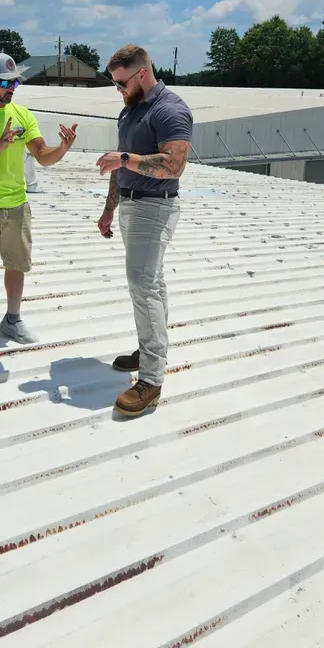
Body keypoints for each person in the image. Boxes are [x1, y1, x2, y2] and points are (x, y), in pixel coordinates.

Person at [96, 44, 193, 417]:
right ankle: (149, 349)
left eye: (120, 82)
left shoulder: (170, 110)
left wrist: (124, 158)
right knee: (152, 282)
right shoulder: (131, 110)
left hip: (156, 208)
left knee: (142, 283)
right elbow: (123, 169)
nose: (117, 89)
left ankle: (151, 377)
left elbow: (173, 165)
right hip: (132, 207)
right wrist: (109, 210)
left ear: (141, 73)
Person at [0, 51, 78, 344]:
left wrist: (62, 148)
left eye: (15, 83)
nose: (12, 89)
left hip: (17, 206)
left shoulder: (23, 115)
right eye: (5, 83)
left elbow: (42, 156)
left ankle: (12, 321)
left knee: (16, 265)